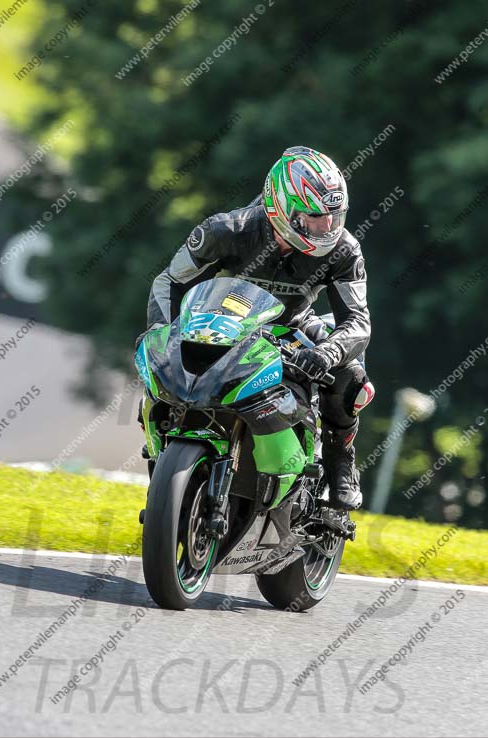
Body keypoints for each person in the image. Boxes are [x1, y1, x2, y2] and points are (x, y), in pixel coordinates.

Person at [144, 146, 375, 511]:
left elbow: (358, 321)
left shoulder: (345, 250)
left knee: (352, 380)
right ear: (281, 208)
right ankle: (163, 454)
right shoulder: (225, 230)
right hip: (223, 324)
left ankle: (339, 463)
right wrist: (163, 330)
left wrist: (326, 353)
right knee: (161, 369)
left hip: (295, 327)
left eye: (333, 217)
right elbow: (169, 281)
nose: (326, 228)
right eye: (313, 218)